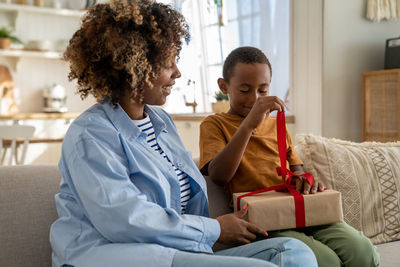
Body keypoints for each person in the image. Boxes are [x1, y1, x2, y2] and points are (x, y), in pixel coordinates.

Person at [49, 1, 318, 266]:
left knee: (294, 253)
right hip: (110, 256)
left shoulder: (161, 123)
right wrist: (214, 229)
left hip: (172, 251)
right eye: (168, 63)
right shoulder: (90, 134)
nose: (177, 73)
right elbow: (125, 220)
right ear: (131, 65)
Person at [199, 46, 380, 267]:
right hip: (263, 219)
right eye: (245, 90)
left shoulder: (278, 126)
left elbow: (297, 171)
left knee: (363, 251)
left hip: (299, 210)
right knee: (325, 260)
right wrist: (248, 126)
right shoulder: (214, 124)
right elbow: (218, 176)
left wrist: (304, 182)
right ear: (223, 86)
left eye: (263, 91)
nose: (255, 99)